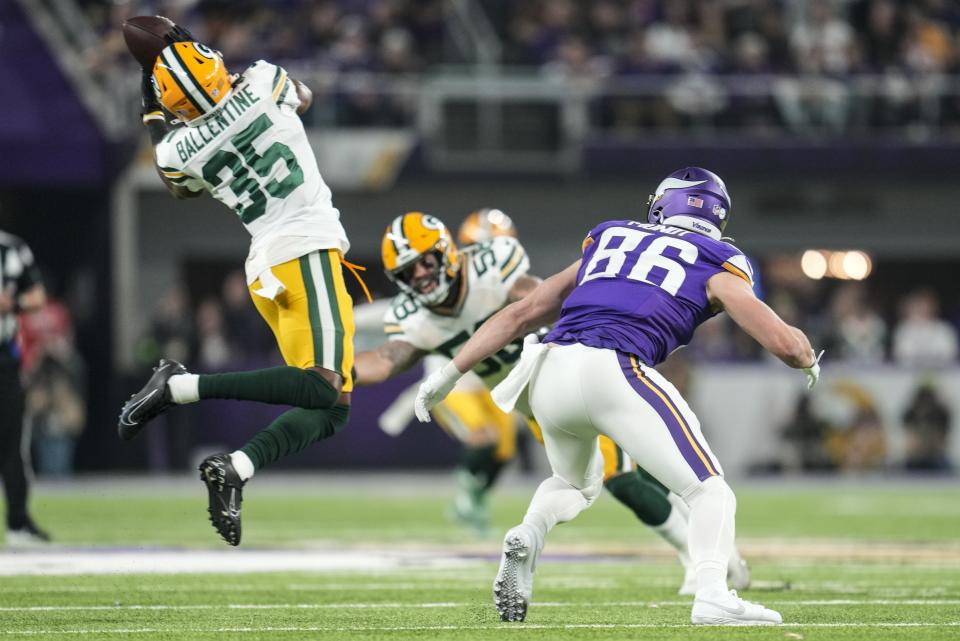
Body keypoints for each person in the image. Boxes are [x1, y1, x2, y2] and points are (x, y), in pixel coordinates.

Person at [415, 167, 822, 625]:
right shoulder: (718, 258)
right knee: (709, 490)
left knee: (573, 483)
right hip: (616, 366)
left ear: (664, 203)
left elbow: (523, 312)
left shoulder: (611, 235)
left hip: (548, 369)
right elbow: (785, 344)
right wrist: (808, 358)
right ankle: (711, 593)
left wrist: (447, 375)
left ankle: (529, 532)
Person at [354, 209, 748, 594]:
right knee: (627, 476)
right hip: (540, 404)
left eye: (426, 262)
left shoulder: (491, 265)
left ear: (448, 253)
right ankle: (712, 558)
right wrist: (336, 370)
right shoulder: (413, 318)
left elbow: (529, 299)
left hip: (570, 371)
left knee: (626, 477)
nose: (420, 275)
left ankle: (702, 561)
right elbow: (388, 358)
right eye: (409, 270)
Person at [119, 34, 359, 546]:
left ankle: (235, 467)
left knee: (332, 409)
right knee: (321, 386)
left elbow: (176, 185)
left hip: (265, 261)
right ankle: (179, 386)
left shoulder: (177, 148)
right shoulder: (263, 80)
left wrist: (153, 112)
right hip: (306, 247)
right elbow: (307, 95)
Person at [0, 230, 50, 545]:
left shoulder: (12, 248)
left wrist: (12, 301)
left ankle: (18, 522)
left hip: (3, 359)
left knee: (12, 442)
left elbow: (37, 296)